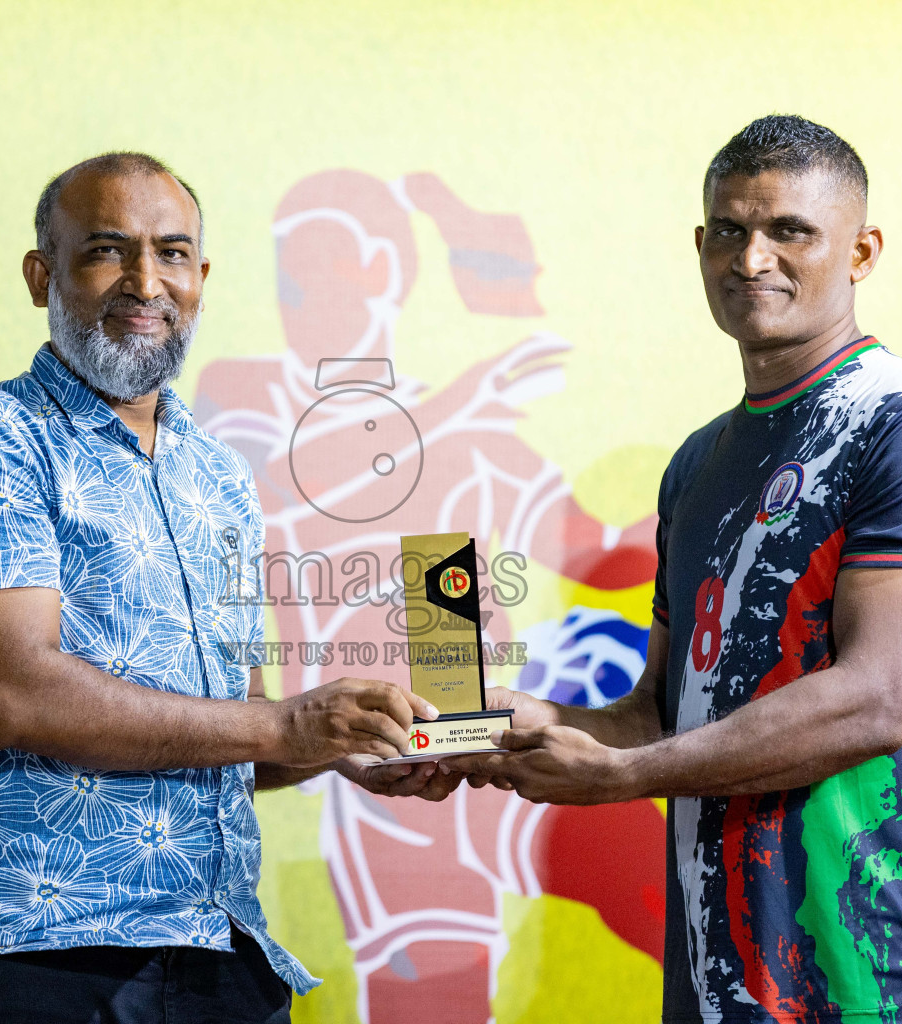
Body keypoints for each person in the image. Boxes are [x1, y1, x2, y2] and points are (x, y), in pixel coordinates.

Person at [449, 115, 902, 1024]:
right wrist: (516, 725)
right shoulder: (697, 463)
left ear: (862, 251)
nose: (752, 258)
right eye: (730, 231)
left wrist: (627, 779)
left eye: (790, 230)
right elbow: (660, 715)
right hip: (720, 978)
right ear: (701, 244)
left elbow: (875, 700)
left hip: (883, 974)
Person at [0, 151, 439, 1024]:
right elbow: (17, 695)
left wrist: (348, 744)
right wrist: (292, 722)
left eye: (173, 254)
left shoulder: (216, 477)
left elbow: (237, 730)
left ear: (203, 279)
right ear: (42, 275)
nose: (147, 282)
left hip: (221, 953)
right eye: (108, 250)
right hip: (39, 957)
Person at [191, 168, 664, 1021]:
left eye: (313, 264)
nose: (291, 291)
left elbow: (598, 549)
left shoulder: (465, 439)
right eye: (281, 270)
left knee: (679, 906)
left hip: (482, 750)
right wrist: (456, 413)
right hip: (382, 791)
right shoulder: (246, 397)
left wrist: (708, 526)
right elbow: (287, 484)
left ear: (382, 272)